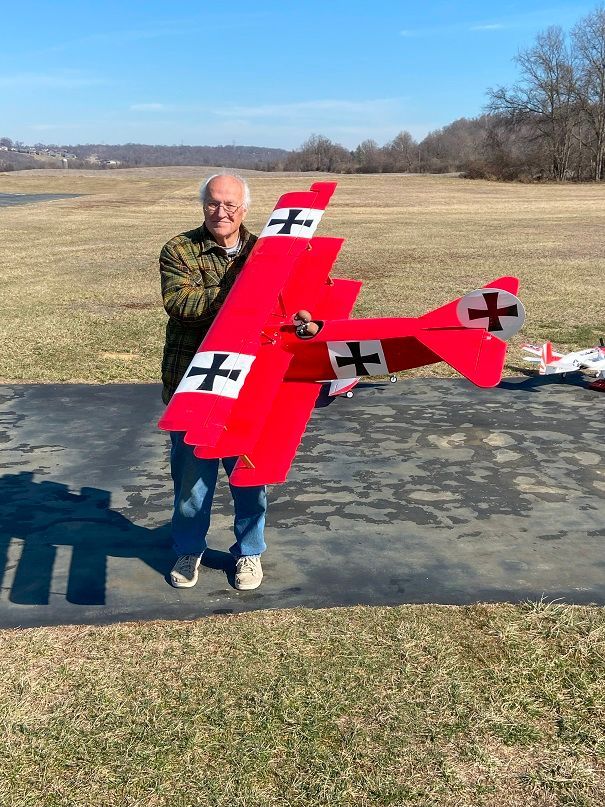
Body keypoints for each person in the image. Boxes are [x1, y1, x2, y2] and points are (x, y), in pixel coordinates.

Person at [159, 173, 266, 591]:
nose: (221, 212)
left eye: (230, 204)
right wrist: (245, 293)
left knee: (249, 476)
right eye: (213, 203)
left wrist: (306, 320)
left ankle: (249, 552)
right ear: (203, 204)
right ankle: (189, 549)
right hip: (195, 384)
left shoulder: (266, 251)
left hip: (250, 387)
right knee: (191, 481)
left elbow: (291, 303)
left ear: (244, 208)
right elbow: (181, 303)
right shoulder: (179, 249)